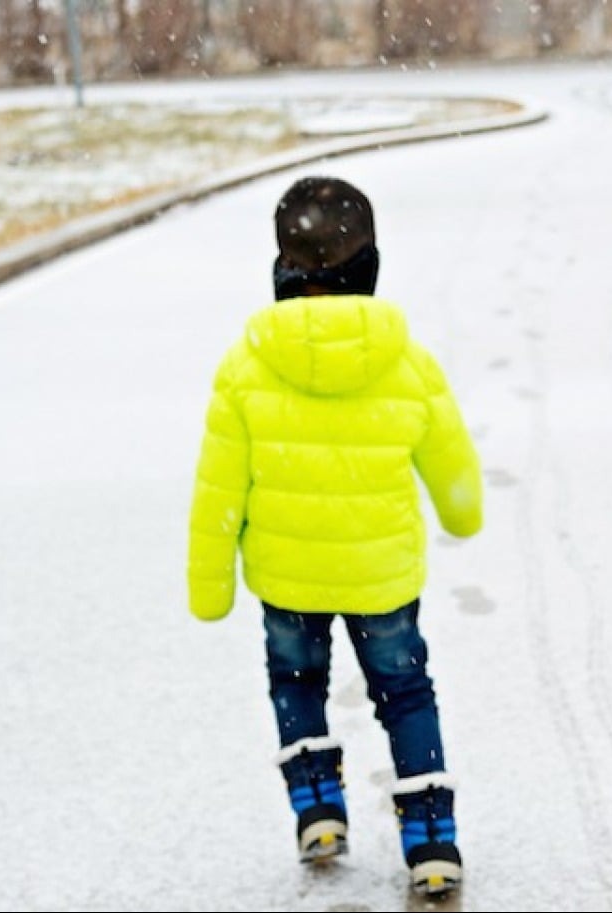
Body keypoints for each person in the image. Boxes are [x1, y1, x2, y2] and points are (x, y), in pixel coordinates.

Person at [186, 174, 483, 896]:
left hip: (288, 574)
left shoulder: (245, 365)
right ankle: (431, 837)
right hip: (382, 573)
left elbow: (217, 488)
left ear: (283, 270)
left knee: (295, 679)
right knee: (406, 691)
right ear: (369, 267)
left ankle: (318, 808)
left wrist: (210, 583)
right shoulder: (407, 361)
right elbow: (456, 477)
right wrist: (457, 511)